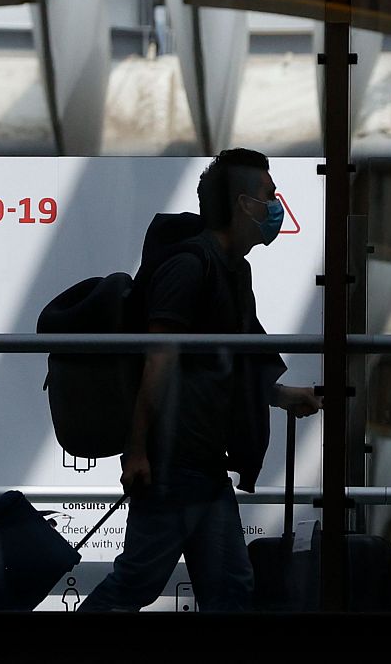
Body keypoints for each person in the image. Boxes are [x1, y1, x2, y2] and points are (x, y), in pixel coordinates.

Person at [80, 148, 322, 612]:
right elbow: (159, 359)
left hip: (205, 465)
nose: (275, 207)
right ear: (242, 204)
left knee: (229, 588)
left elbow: (226, 363)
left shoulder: (234, 272)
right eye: (268, 195)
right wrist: (137, 449)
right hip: (174, 461)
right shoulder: (189, 266)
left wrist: (282, 395)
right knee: (138, 584)